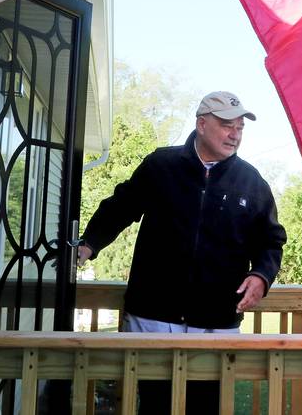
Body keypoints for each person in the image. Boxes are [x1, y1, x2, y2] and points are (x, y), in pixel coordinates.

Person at [78, 91, 287, 414]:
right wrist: (88, 245)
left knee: (206, 405)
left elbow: (271, 241)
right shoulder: (161, 165)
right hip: (152, 316)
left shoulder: (252, 182)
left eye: (240, 128)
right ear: (202, 124)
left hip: (216, 321)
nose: (235, 134)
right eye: (226, 125)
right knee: (154, 404)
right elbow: (120, 207)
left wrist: (261, 275)